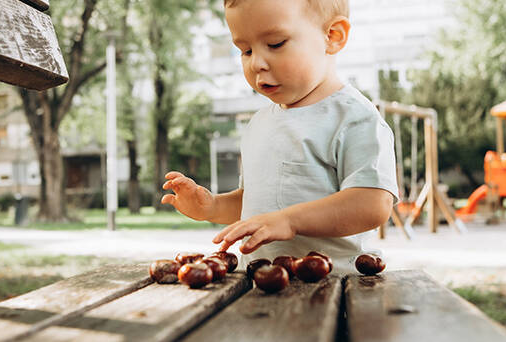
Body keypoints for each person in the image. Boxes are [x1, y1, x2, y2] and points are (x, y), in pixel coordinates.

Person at [161, 0, 399, 272]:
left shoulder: (355, 118)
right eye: (246, 50)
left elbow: (372, 204)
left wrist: (290, 221)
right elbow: (259, 203)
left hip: (336, 286)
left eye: (275, 44)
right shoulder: (259, 123)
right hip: (263, 282)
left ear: (332, 36)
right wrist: (213, 206)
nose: (257, 63)